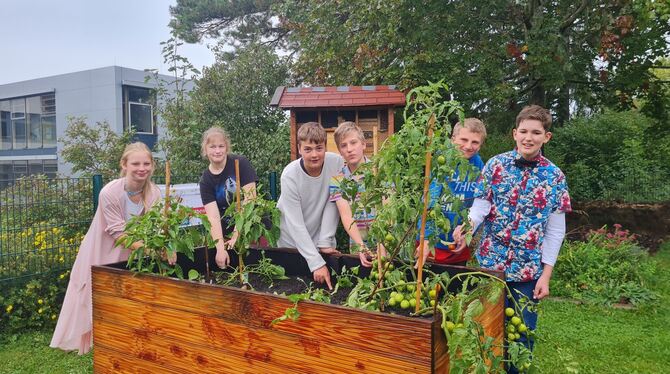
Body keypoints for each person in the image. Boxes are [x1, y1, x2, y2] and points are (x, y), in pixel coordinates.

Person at [454, 105, 571, 367]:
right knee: (485, 329)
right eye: (524, 131)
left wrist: (546, 274)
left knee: (522, 333)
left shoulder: (555, 177)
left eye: (536, 132)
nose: (529, 137)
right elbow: (481, 207)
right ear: (514, 133)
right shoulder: (495, 165)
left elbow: (555, 230)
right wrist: (468, 228)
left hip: (527, 271)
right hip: (490, 264)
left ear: (546, 137)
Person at [50, 142, 161, 355]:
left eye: (146, 163)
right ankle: (107, 349)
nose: (142, 168)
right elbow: (118, 233)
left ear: (152, 165)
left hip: (133, 253)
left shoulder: (153, 193)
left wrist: (162, 245)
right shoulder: (110, 192)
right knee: (98, 298)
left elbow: (154, 227)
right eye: (135, 163)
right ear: (124, 164)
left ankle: (127, 346)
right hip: (103, 250)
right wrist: (150, 250)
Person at [277, 122, 344, 289]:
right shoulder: (290, 176)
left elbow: (333, 201)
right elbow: (295, 224)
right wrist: (315, 262)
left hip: (320, 241)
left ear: (326, 147)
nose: (314, 154)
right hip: (291, 243)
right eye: (308, 149)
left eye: (319, 148)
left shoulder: (336, 164)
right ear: (299, 149)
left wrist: (325, 241)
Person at [415, 118, 486, 267]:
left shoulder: (480, 166)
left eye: (475, 142)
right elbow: (429, 201)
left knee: (454, 284)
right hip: (431, 242)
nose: (468, 146)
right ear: (453, 139)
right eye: (464, 140)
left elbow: (480, 204)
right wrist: (426, 239)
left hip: (457, 243)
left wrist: (468, 232)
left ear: (481, 144)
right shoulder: (441, 163)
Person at [199, 127, 257, 269]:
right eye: (212, 147)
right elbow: (213, 217)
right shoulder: (206, 180)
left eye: (221, 146)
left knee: (255, 265)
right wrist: (220, 249)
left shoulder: (240, 163)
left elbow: (250, 200)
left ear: (227, 148)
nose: (217, 151)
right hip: (226, 233)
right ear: (205, 150)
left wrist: (238, 233)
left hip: (251, 227)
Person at [328, 121, 379, 267]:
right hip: (358, 245)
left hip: (386, 242)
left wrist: (383, 245)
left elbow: (388, 210)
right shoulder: (338, 181)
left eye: (353, 143)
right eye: (344, 145)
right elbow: (346, 216)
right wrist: (361, 247)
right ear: (339, 151)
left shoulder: (380, 173)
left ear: (363, 144)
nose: (349, 149)